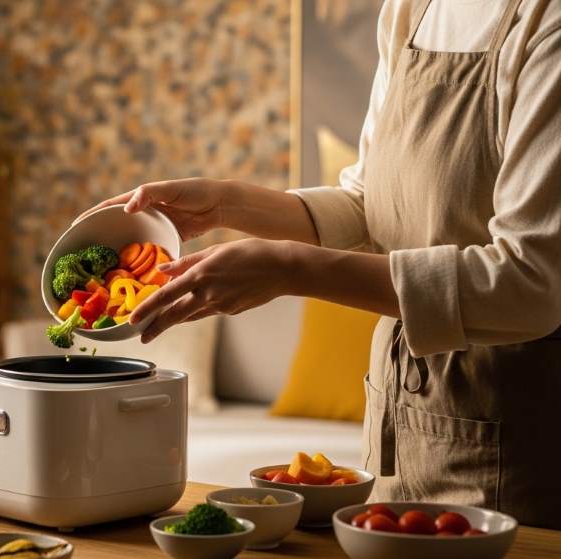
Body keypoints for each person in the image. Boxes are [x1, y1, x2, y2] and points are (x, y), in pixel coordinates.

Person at [80, 0, 561, 529]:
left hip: (510, 436)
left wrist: (293, 270)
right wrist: (227, 204)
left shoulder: (547, 24)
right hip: (398, 429)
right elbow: (367, 202)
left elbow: (529, 284)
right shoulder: (411, 9)